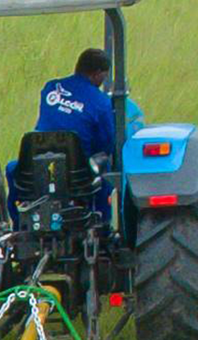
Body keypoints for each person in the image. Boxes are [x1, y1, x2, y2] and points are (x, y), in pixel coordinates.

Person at [8, 47, 121, 215]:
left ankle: (18, 222)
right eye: (104, 76)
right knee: (107, 173)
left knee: (12, 169)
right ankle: (103, 221)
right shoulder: (102, 102)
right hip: (78, 172)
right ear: (97, 74)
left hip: (37, 167)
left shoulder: (50, 88)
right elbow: (106, 144)